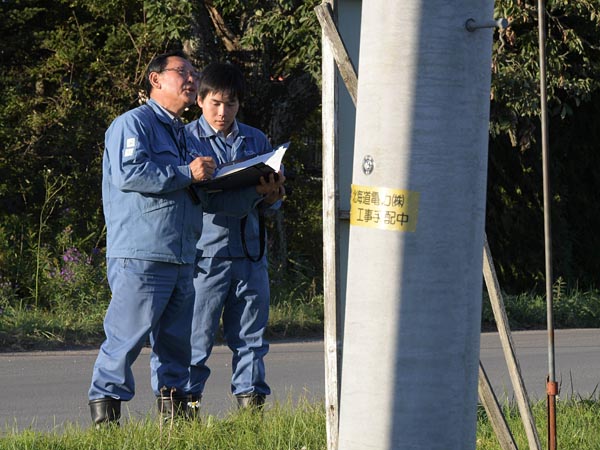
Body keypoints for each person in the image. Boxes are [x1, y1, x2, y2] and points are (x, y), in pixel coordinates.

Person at [87, 51, 284, 426]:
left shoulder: (180, 134)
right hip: (143, 253)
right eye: (183, 72)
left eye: (194, 72)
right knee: (126, 340)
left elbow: (209, 194)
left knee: (177, 350)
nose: (191, 78)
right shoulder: (134, 124)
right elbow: (130, 174)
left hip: (182, 256)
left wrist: (262, 194)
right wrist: (186, 172)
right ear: (155, 79)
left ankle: (178, 427)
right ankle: (106, 423)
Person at [184, 62, 284, 410]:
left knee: (252, 339)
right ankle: (185, 409)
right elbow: (204, 199)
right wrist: (254, 195)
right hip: (205, 256)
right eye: (215, 103)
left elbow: (271, 201)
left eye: (230, 104)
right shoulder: (187, 139)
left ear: (240, 103)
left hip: (250, 253)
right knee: (196, 337)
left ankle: (251, 409)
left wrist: (271, 197)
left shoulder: (256, 139)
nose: (222, 112)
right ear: (200, 100)